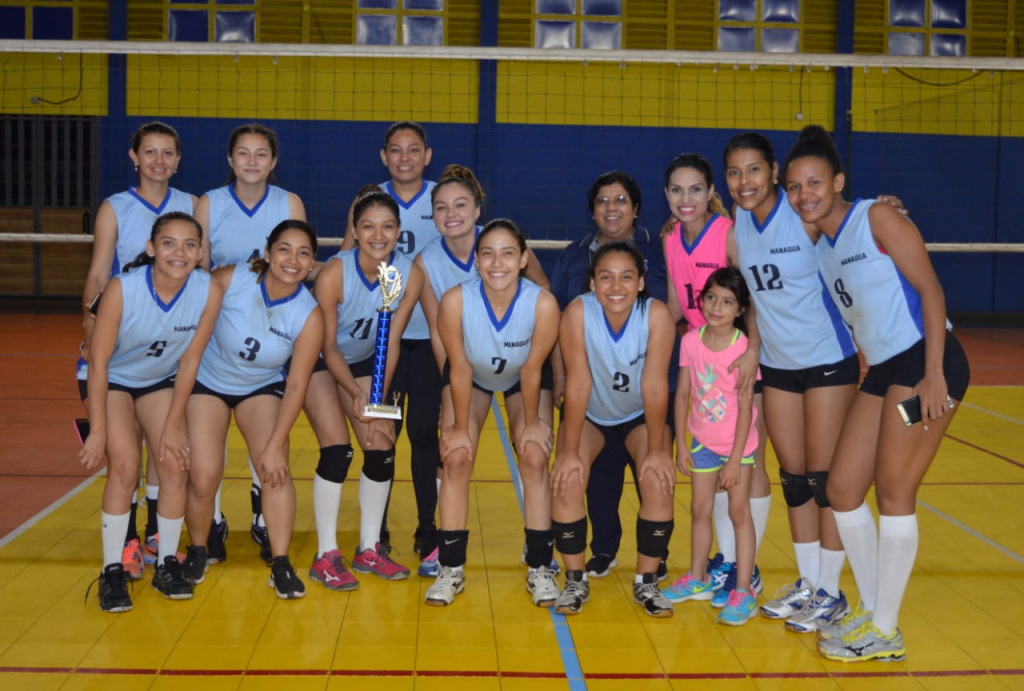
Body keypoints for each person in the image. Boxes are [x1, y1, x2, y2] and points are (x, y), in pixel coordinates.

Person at [783, 125, 969, 661]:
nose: (804, 195)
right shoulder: (821, 245)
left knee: (892, 492)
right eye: (795, 187)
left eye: (814, 183)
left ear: (838, 181)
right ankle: (871, 609)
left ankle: (885, 632)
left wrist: (934, 373)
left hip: (928, 363)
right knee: (842, 489)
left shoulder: (878, 217)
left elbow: (931, 290)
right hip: (885, 370)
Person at [724, 132, 859, 632]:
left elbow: (856, 224)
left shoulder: (804, 214)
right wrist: (755, 347)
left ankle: (831, 591)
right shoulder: (739, 220)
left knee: (824, 480)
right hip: (778, 366)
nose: (745, 181)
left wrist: (887, 208)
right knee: (794, 479)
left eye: (754, 170)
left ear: (773, 170)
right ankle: (808, 584)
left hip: (827, 359)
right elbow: (752, 301)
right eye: (735, 172)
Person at [80, 211, 222, 612]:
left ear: (199, 253)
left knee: (175, 463)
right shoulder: (123, 288)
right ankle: (111, 571)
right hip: (111, 380)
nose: (179, 252)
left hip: (158, 381)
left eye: (190, 245)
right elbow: (100, 362)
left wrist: (175, 425)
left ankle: (166, 565)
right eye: (169, 243)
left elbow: (191, 360)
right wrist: (99, 432)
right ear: (151, 248)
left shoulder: (208, 290)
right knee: (125, 465)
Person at [415, 164, 551, 576]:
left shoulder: (527, 282)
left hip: (521, 368)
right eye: (441, 207)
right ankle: (448, 560)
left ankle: (540, 558)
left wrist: (534, 417)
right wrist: (455, 416)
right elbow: (450, 355)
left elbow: (536, 356)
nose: (451, 213)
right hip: (466, 369)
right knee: (455, 453)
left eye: (460, 204)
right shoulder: (435, 273)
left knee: (533, 453)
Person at [181, 220, 323, 599]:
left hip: (260, 386)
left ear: (311, 264)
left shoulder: (309, 315)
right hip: (208, 381)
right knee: (204, 475)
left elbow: (296, 384)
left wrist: (277, 441)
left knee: (274, 468)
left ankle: (280, 563)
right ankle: (199, 549)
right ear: (268, 250)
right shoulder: (232, 279)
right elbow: (190, 329)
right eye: (284, 249)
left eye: (303, 253)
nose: (292, 260)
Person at [80, 122, 196, 578]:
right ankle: (124, 547)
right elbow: (95, 274)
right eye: (150, 152)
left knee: (166, 452)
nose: (159, 161)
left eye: (168, 153)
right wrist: (90, 326)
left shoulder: (190, 205)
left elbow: (198, 272)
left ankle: (157, 540)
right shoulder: (116, 207)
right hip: (121, 339)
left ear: (178, 160)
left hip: (164, 350)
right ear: (134, 156)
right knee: (124, 459)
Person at [549, 171, 673, 581]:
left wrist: (658, 447)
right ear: (592, 281)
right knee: (573, 477)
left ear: (641, 282)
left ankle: (649, 573)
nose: (615, 285)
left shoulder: (655, 305)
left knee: (655, 477)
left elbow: (655, 384)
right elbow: (579, 381)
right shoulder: (578, 304)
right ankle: (581, 571)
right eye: (605, 277)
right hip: (594, 409)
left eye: (625, 277)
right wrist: (567, 448)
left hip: (640, 406)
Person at [658, 153, 770, 608]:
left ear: (710, 193)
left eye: (696, 190)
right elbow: (671, 304)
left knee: (747, 465)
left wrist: (755, 350)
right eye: (677, 190)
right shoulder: (670, 240)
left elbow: (753, 297)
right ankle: (711, 567)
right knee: (704, 493)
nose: (687, 199)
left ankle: (747, 573)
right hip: (698, 350)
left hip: (737, 356)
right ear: (667, 195)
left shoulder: (727, 234)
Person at [195, 122, 306, 564]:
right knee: (210, 439)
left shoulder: (288, 202)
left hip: (272, 325)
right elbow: (200, 270)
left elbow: (297, 256)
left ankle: (263, 520)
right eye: (244, 153)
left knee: (267, 430)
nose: (253, 161)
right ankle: (214, 519)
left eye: (262, 154)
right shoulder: (209, 203)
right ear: (230, 159)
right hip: (221, 323)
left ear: (273, 162)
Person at [305, 189, 425, 590]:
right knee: (338, 449)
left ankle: (369, 548)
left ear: (398, 231)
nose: (378, 235)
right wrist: (355, 394)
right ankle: (326, 554)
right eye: (368, 226)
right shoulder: (335, 273)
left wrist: (375, 398)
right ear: (354, 231)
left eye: (387, 226)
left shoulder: (406, 274)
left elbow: (389, 343)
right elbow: (327, 346)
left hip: (362, 362)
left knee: (380, 440)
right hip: (317, 361)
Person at [340, 121, 441, 557]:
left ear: (427, 155)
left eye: (413, 149)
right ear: (384, 156)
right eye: (396, 150)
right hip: (380, 342)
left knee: (423, 433)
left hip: (425, 336)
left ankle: (428, 526)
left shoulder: (442, 197)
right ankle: (375, 530)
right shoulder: (368, 200)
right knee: (382, 431)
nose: (405, 157)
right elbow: (346, 256)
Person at [666, 268, 760, 626]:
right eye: (710, 298)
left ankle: (742, 590)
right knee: (699, 508)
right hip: (702, 442)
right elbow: (684, 395)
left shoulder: (743, 349)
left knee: (739, 513)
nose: (716, 307)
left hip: (738, 446)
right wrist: (682, 445)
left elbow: (746, 407)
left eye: (727, 301)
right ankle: (697, 577)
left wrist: (736, 460)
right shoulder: (691, 340)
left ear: (740, 309)